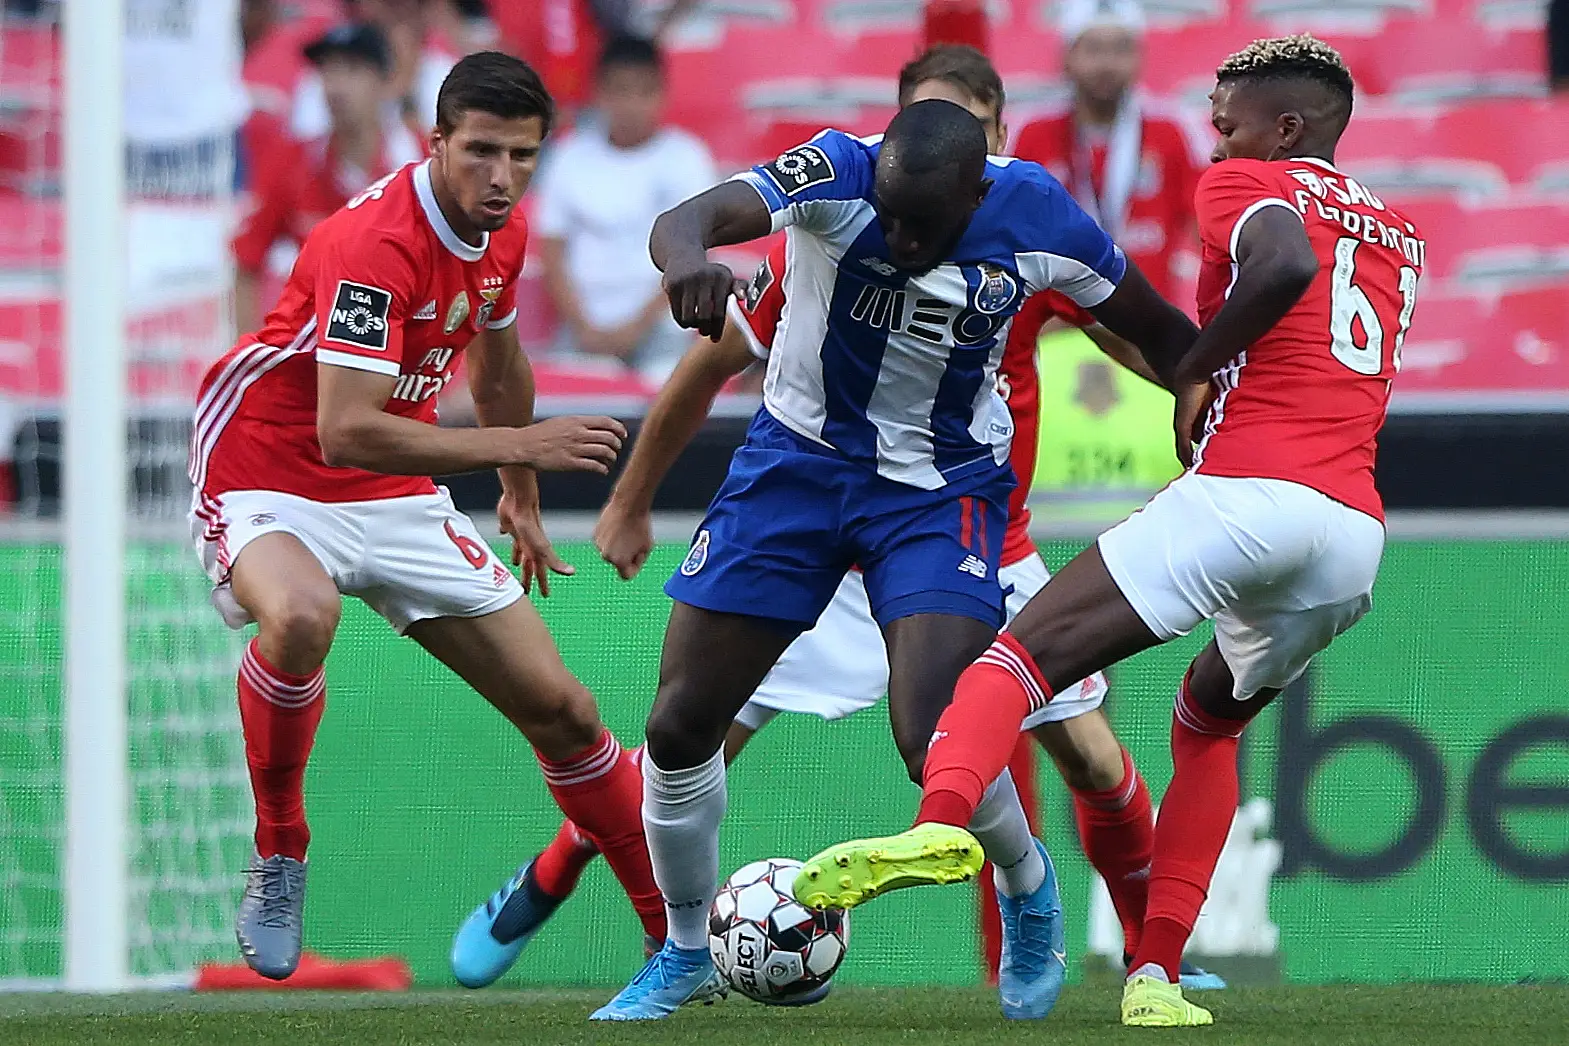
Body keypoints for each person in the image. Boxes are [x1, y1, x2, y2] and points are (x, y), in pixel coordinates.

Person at [449, 43, 1218, 1003]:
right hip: (795, 472)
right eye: (886, 220)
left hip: (939, 493)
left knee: (934, 733)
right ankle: (686, 950)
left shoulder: (1042, 221)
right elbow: (691, 219)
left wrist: (1223, 413)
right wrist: (689, 263)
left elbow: (1159, 332)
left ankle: (1029, 891)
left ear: (977, 194)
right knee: (681, 724)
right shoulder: (833, 172)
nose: (895, 242)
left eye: (917, 230)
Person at [794, 35, 1425, 1030]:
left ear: (1288, 128)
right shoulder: (1397, 229)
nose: (1216, 145)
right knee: (1208, 722)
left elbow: (1286, 260)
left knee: (1015, 655)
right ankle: (1156, 976)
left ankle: (937, 824)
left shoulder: (1251, 189)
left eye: (1231, 126)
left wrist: (1197, 370)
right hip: (1350, 532)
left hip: (1248, 493)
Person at [188, 52, 670, 982]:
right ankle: (281, 849)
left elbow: (497, 368)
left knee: (565, 711)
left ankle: (674, 940)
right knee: (300, 616)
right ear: (438, 141)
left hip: (394, 486)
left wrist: (519, 500)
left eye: (521, 157)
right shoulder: (375, 245)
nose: (500, 177)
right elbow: (345, 430)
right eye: (480, 152)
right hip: (267, 469)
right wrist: (519, 450)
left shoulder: (505, 232)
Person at [532, 35, 717, 384]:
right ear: (599, 92)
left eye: (643, 92)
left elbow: (695, 257)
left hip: (664, 325)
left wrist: (634, 329)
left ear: (662, 92)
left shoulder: (687, 158)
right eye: (620, 91)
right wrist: (584, 326)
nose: (631, 104)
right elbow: (552, 251)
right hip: (581, 328)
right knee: (557, 398)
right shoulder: (569, 156)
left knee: (674, 386)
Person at [233, 22, 426, 333]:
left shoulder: (425, 162)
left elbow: (469, 264)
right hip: (320, 353)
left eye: (352, 70)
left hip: (409, 350)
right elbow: (246, 260)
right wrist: (250, 358)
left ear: (386, 82)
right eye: (327, 70)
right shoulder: (294, 161)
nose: (335, 86)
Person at [1012, 0, 1205, 304]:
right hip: (1056, 329)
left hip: (1148, 327)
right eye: (1093, 49)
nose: (1107, 63)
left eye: (1121, 49)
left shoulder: (1172, 130)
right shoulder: (1034, 133)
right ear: (1067, 56)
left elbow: (1204, 232)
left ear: (1139, 57)